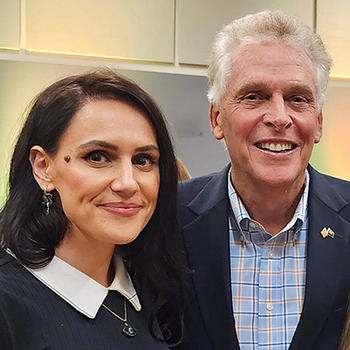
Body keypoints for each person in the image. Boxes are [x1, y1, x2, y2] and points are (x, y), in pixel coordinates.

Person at [175, 10, 350, 350]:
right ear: (216, 119)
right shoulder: (166, 216)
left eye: (298, 99)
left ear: (318, 123)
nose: (279, 117)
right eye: (254, 96)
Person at [0, 70, 185, 349]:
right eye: (97, 157)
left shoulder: (155, 290)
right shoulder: (8, 302)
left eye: (143, 160)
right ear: (43, 167)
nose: (127, 183)